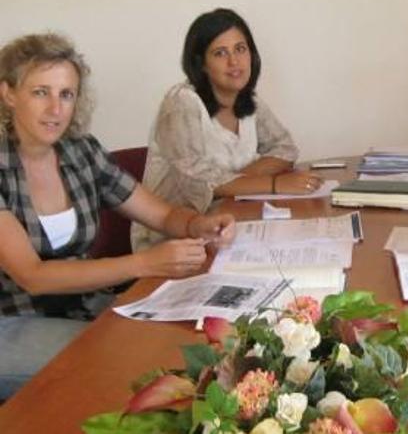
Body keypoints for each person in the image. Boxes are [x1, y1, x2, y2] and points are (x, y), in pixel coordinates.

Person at [0, 33, 235, 399]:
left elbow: (162, 213)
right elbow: (33, 277)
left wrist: (197, 224)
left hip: (78, 308)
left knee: (177, 348)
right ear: (8, 94)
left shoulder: (81, 151)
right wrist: (144, 263)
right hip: (11, 321)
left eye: (66, 94)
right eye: (40, 92)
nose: (55, 109)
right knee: (125, 365)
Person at [131, 8, 322, 250]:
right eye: (220, 53)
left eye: (240, 49)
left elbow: (284, 148)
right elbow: (198, 181)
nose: (234, 62)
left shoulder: (247, 100)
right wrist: (272, 183)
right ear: (201, 64)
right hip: (175, 241)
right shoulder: (181, 104)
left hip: (229, 221)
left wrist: (237, 182)